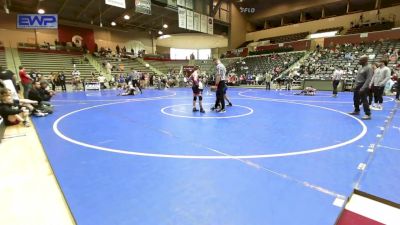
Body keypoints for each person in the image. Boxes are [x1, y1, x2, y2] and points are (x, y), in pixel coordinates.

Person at [349, 55, 373, 120]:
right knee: (355, 98)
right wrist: (354, 85)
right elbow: (357, 78)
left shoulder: (369, 68)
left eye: (360, 60)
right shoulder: (360, 67)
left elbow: (369, 79)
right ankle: (356, 110)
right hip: (358, 85)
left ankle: (368, 114)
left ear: (365, 60)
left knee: (364, 99)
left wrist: (363, 87)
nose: (359, 61)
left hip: (363, 85)